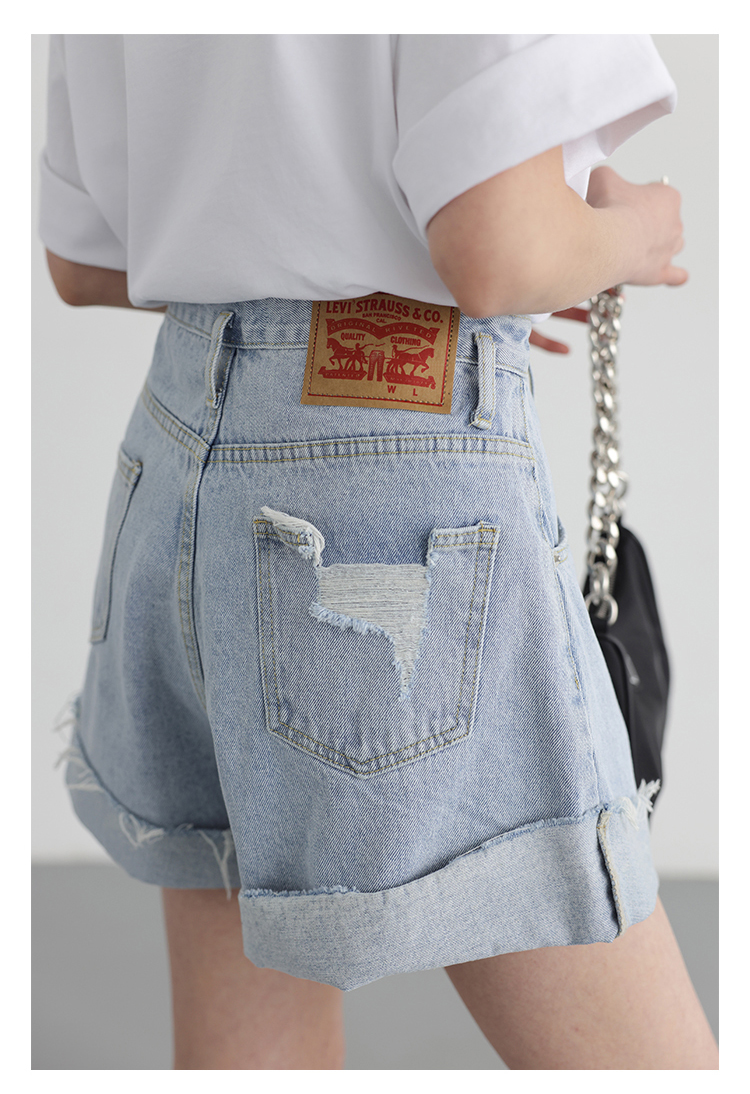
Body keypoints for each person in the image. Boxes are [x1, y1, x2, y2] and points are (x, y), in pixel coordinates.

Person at [40, 34, 718, 1069]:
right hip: (390, 493)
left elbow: (84, 260)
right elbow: (496, 250)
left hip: (179, 458)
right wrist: (634, 232)